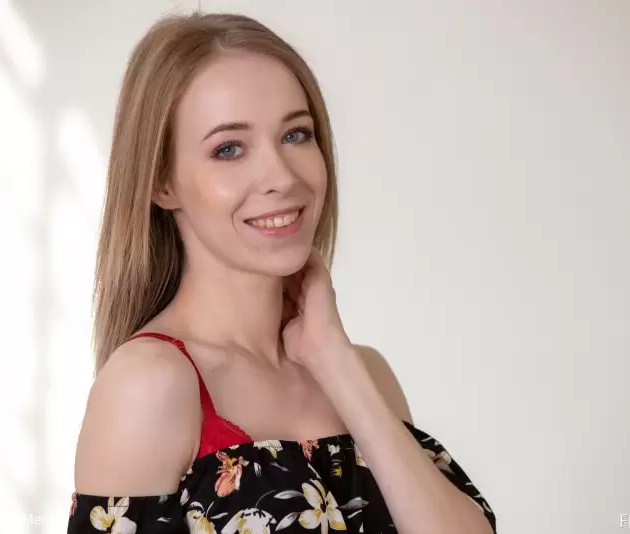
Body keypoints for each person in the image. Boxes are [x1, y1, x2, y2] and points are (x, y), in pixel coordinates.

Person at [68, 12, 496, 534]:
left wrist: (335, 362)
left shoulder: (364, 374)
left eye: (296, 134)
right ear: (163, 183)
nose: (281, 175)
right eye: (229, 149)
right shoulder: (149, 387)